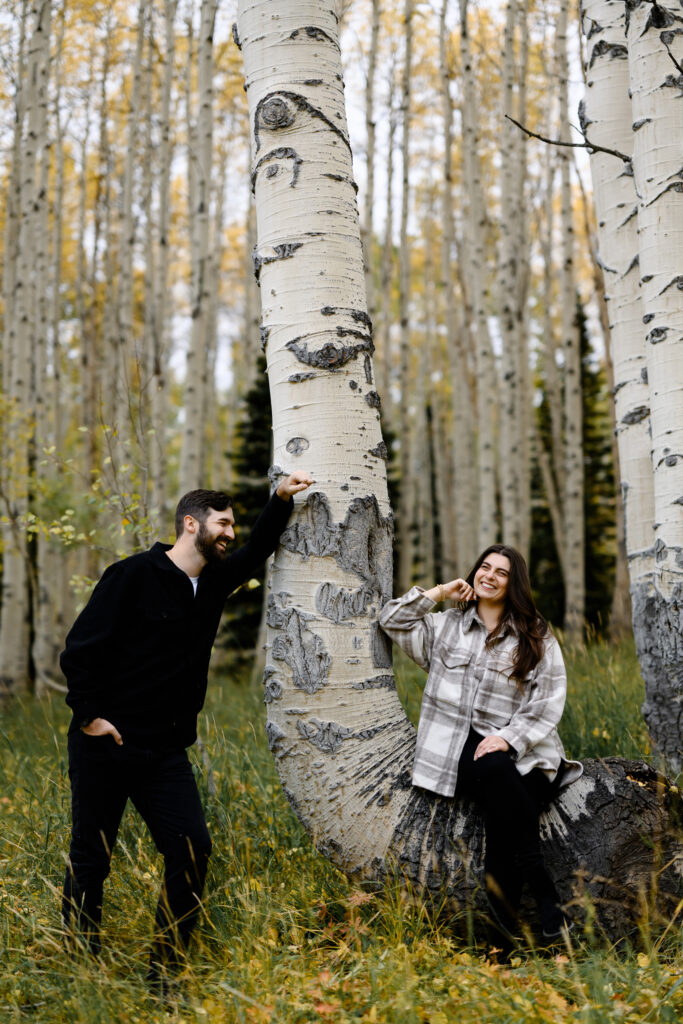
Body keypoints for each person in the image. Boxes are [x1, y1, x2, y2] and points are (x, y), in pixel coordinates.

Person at [60, 471, 313, 986]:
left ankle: (165, 972)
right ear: (190, 523)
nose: (230, 534)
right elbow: (81, 648)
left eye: (233, 525)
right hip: (105, 745)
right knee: (92, 858)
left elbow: (260, 545)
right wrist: (89, 717)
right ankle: (79, 968)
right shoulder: (131, 575)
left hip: (165, 752)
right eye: (222, 524)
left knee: (192, 850)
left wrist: (281, 499)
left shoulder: (214, 582)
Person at [379, 544, 582, 942]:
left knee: (502, 826)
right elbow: (391, 619)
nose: (488, 576)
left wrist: (506, 738)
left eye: (501, 572)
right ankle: (546, 899)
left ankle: (500, 947)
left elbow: (548, 700)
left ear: (514, 583)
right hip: (461, 752)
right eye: (483, 568)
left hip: (527, 754)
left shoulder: (535, 634)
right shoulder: (446, 626)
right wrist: (439, 592)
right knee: (490, 769)